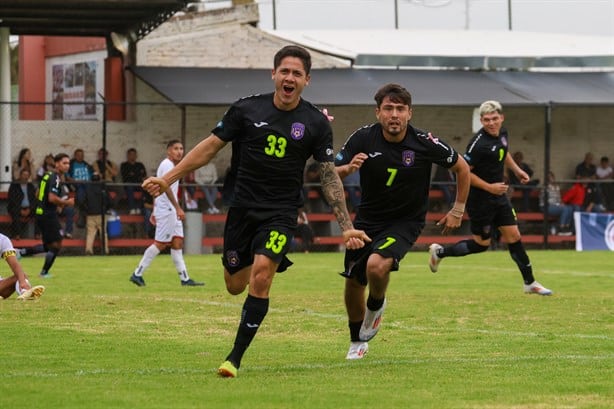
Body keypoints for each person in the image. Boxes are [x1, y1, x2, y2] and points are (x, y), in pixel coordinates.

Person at [141, 45, 370, 378]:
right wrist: (167, 180)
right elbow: (208, 148)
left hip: (281, 213)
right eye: (285, 71)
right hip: (243, 211)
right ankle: (260, 261)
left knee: (261, 276)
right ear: (273, 74)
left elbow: (327, 174)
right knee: (235, 284)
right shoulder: (246, 109)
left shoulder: (315, 123)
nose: (289, 78)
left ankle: (234, 358)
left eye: (297, 73)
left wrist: (345, 225)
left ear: (307, 80)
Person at [334, 83, 470, 360]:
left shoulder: (424, 142)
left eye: (400, 109)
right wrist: (345, 169)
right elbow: (328, 171)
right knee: (353, 281)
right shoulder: (362, 138)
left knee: (376, 266)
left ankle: (376, 304)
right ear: (378, 112)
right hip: (367, 219)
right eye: (388, 108)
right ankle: (356, 342)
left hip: (405, 221)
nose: (394, 114)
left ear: (410, 113)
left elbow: (462, 168)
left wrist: (458, 209)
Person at [428, 100, 553, 297]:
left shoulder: (502, 134)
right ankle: (439, 252)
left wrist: (517, 170)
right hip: (480, 201)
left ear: (501, 118)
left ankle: (530, 283)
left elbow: (504, 152)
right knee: (481, 245)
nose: (491, 123)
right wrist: (489, 187)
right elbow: (464, 172)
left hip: (499, 198)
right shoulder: (478, 145)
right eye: (487, 120)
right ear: (481, 121)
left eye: (495, 118)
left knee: (514, 237)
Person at [129, 140, 204, 288]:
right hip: (169, 210)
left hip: (166, 209)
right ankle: (137, 273)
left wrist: (155, 210)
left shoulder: (171, 165)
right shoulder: (167, 165)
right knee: (161, 243)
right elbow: (166, 187)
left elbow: (156, 188)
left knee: (177, 243)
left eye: (181, 148)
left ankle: (185, 279)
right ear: (168, 151)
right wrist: (177, 208)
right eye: (176, 148)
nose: (179, 151)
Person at [19, 153, 75, 278]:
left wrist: (48, 203)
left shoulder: (47, 175)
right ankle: (44, 272)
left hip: (41, 213)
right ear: (56, 164)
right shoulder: (55, 177)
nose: (67, 166)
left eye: (68, 163)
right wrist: (66, 202)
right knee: (56, 245)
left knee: (49, 245)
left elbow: (38, 193)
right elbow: (51, 198)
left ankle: (21, 252)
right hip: (48, 214)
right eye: (64, 163)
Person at [0, 233, 45, 301]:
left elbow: (14, 264)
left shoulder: (3, 240)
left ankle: (25, 292)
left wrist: (22, 282)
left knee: (21, 275)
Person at [80, 173, 110, 255]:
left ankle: (89, 250)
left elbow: (82, 200)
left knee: (90, 233)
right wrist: (106, 209)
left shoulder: (87, 188)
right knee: (103, 233)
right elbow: (108, 200)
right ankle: (105, 250)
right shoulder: (103, 188)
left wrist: (86, 210)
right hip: (102, 214)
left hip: (90, 214)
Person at [7, 168, 37, 240]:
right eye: (24, 175)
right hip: (17, 207)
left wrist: (29, 209)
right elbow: (12, 199)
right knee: (15, 213)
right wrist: (20, 209)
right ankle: (17, 234)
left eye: (27, 175)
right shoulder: (14, 185)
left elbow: (34, 200)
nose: (25, 177)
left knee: (39, 212)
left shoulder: (31, 186)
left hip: (29, 208)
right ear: (20, 175)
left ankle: (37, 234)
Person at [120, 148, 147, 215]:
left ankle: (138, 208)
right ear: (128, 155)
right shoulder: (124, 165)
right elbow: (126, 176)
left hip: (139, 184)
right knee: (130, 187)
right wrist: (137, 175)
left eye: (134, 154)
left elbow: (144, 176)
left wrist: (134, 175)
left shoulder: (140, 165)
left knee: (146, 188)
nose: (133, 156)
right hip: (129, 185)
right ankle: (132, 208)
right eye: (131, 154)